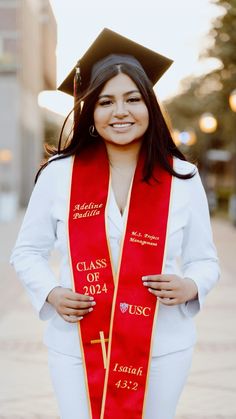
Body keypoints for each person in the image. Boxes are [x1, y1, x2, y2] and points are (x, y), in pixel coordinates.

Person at [10, 28, 220, 419]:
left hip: (162, 345)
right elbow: (27, 252)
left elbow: (205, 261)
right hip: (78, 345)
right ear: (90, 110)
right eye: (105, 101)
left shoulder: (182, 178)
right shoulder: (59, 175)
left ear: (150, 107)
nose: (119, 111)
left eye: (132, 99)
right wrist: (52, 293)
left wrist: (190, 286)